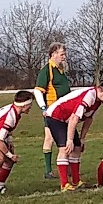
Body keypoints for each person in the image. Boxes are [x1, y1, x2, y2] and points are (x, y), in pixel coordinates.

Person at [45, 80, 103, 192]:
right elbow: (74, 118)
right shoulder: (89, 97)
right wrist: (69, 140)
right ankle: (64, 184)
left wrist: (82, 138)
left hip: (66, 120)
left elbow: (88, 119)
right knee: (65, 148)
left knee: (77, 147)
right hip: (55, 117)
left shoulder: (97, 101)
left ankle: (76, 181)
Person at [34, 42, 71, 179]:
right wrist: (44, 108)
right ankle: (48, 170)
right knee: (49, 138)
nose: (64, 57)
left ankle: (65, 167)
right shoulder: (46, 70)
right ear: (53, 54)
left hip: (65, 111)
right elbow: (38, 91)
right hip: (52, 111)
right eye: (62, 54)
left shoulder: (61, 69)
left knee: (67, 138)